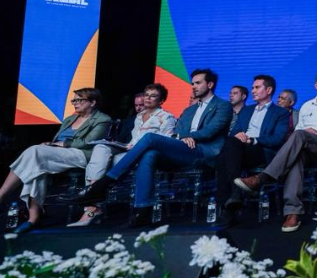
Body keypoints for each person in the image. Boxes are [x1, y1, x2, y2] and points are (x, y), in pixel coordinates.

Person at [74, 69, 232, 226]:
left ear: (210, 84)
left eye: (198, 83)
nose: (194, 87)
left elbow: (211, 130)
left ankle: (104, 184)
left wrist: (190, 137)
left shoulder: (223, 106)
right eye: (192, 84)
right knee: (149, 154)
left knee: (150, 138)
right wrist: (185, 137)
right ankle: (143, 210)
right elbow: (180, 131)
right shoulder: (190, 110)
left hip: (204, 152)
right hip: (184, 149)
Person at [0, 88, 112, 233]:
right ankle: (33, 218)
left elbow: (89, 142)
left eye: (79, 100)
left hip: (80, 155)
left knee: (34, 152)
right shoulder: (69, 119)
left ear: (92, 102)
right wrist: (52, 145)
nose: (75, 103)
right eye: (74, 100)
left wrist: (60, 144)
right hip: (55, 154)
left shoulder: (102, 119)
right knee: (35, 166)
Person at [234, 69, 317, 232]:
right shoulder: (306, 106)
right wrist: (306, 134)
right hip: (307, 147)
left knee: (300, 135)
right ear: (316, 85)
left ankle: (262, 178)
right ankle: (293, 212)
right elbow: (299, 132)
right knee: (296, 155)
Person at [70, 84, 176, 226]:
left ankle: (93, 198)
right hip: (128, 149)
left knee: (113, 158)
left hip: (143, 154)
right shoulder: (138, 117)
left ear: (161, 100)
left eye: (153, 96)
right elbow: (133, 140)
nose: (147, 98)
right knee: (101, 147)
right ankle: (94, 187)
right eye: (146, 95)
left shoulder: (166, 117)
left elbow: (165, 142)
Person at [214, 75, 293, 227]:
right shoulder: (246, 111)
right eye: (252, 88)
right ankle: (235, 196)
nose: (253, 91)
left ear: (269, 90)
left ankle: (227, 208)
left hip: (261, 150)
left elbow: (277, 139)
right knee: (228, 146)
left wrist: (253, 140)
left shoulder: (280, 113)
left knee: (224, 156)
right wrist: (239, 136)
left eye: (257, 87)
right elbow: (234, 133)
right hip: (239, 150)